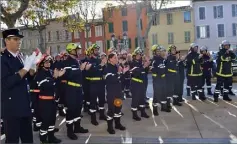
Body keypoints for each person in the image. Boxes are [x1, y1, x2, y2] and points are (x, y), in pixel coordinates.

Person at [1, 28, 39, 143]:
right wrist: (25, 69)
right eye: (16, 39)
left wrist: (32, 69)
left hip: (25, 105)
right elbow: (6, 83)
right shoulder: (3, 60)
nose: (19, 41)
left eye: (19, 39)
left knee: (28, 139)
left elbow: (27, 79)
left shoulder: (20, 57)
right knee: (12, 140)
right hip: (12, 108)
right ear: (7, 41)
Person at [62, 43, 89, 140]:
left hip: (78, 89)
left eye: (77, 50)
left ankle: (77, 127)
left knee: (78, 109)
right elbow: (68, 75)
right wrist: (80, 69)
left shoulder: (76, 61)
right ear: (70, 51)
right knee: (71, 110)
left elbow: (78, 74)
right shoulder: (67, 62)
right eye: (75, 50)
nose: (77, 51)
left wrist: (84, 69)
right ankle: (70, 131)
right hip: (71, 89)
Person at [35, 54, 63, 143]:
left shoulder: (50, 72)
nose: (48, 64)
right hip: (44, 101)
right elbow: (45, 86)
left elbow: (55, 84)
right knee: (46, 121)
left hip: (52, 101)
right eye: (46, 62)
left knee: (52, 120)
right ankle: (43, 139)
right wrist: (55, 77)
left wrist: (57, 77)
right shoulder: (39, 74)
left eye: (49, 62)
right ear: (41, 64)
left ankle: (51, 137)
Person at [104, 52, 126, 134]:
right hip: (111, 92)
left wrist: (122, 72)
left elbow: (120, 79)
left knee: (118, 108)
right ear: (109, 60)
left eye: (117, 57)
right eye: (115, 58)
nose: (117, 59)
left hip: (118, 92)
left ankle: (117, 124)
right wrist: (119, 73)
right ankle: (109, 127)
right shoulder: (107, 68)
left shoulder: (116, 67)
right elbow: (111, 80)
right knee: (111, 110)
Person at [87, 44, 107, 126]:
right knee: (93, 102)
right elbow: (92, 71)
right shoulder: (89, 61)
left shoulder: (99, 60)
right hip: (93, 83)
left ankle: (102, 115)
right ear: (92, 51)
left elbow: (103, 71)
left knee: (102, 100)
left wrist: (104, 66)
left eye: (97, 50)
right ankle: (93, 119)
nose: (97, 51)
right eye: (95, 50)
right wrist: (100, 66)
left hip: (101, 83)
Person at [130, 47, 150, 121]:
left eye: (140, 55)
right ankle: (134, 114)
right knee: (135, 99)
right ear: (135, 55)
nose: (139, 56)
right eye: (138, 55)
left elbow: (145, 72)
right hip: (135, 83)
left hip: (142, 83)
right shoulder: (133, 63)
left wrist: (147, 66)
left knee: (142, 98)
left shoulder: (141, 63)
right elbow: (136, 73)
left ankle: (142, 112)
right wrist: (144, 66)